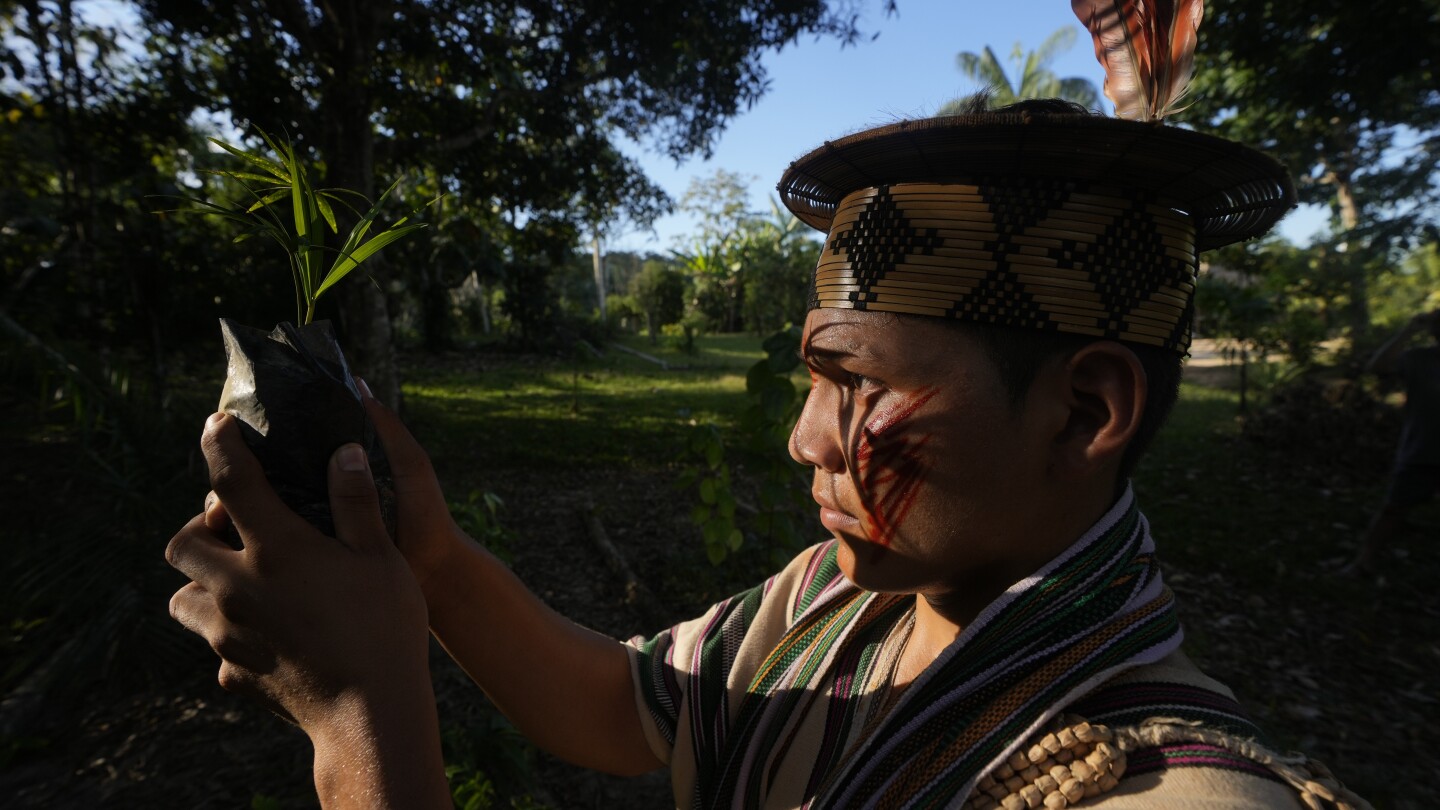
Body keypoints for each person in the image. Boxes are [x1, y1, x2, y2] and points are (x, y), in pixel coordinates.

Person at [166, 98, 1372, 809]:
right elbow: (615, 706)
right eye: (810, 375)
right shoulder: (835, 607)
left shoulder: (1161, 791)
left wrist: (361, 729)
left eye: (855, 381)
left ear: (1084, 412)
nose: (803, 439)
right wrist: (425, 552)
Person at [1347, 309, 1440, 572]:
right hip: (1421, 450)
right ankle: (1364, 560)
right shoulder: (1419, 359)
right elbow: (1377, 367)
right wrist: (1408, 331)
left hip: (1420, 448)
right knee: (1393, 509)